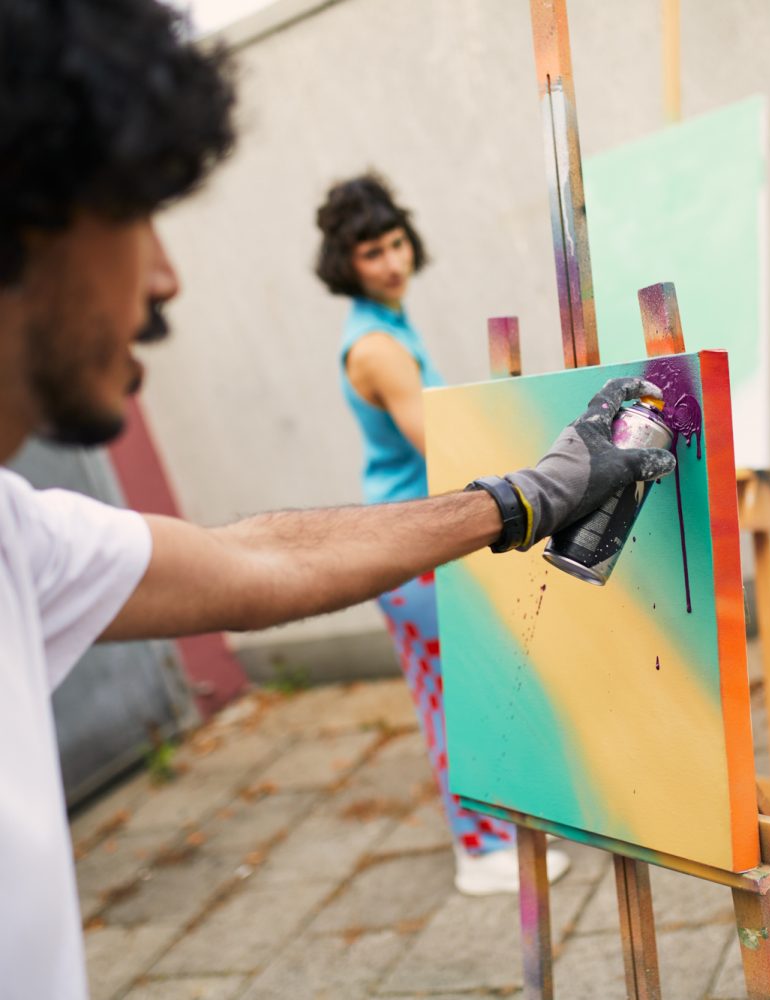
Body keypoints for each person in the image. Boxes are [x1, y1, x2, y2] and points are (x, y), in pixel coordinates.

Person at [0, 1, 676, 997]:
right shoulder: (372, 344)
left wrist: (527, 496)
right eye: (135, 212)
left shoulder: (23, 531)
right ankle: (480, 842)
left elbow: (260, 559)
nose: (167, 279)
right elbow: (424, 443)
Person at [315, 174, 566, 894]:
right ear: (346, 263)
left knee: (463, 693)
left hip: (412, 540)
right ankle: (482, 852)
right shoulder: (377, 348)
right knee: (457, 701)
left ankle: (492, 836)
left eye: (396, 243)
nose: (392, 261)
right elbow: (444, 452)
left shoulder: (389, 325)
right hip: (408, 550)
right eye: (372, 252)